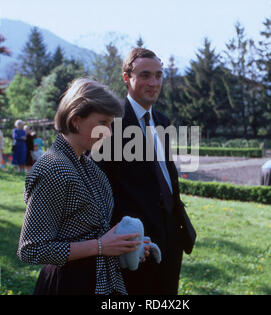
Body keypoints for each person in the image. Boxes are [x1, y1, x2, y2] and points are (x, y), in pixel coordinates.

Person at [17, 78, 147, 295]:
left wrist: (125, 244)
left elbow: (92, 230)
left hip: (93, 281)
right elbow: (32, 249)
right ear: (76, 120)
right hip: (67, 283)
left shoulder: (87, 166)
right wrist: (100, 246)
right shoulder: (54, 168)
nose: (109, 133)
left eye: (111, 125)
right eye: (103, 123)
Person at [97, 48, 196, 295]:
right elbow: (99, 189)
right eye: (145, 75)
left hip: (172, 237)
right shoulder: (110, 124)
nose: (154, 83)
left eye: (159, 75)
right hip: (135, 242)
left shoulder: (162, 121)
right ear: (126, 78)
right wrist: (123, 237)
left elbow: (164, 175)